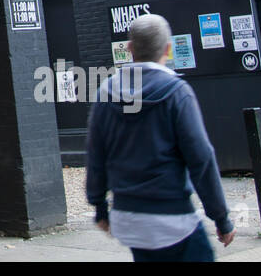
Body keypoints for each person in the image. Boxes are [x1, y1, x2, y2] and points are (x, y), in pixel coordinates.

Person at [85, 14, 235, 261]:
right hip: (172, 216)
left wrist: (99, 206)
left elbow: (95, 153)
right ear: (168, 49)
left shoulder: (106, 92)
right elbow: (201, 158)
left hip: (128, 216)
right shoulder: (177, 92)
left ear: (130, 48)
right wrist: (221, 218)